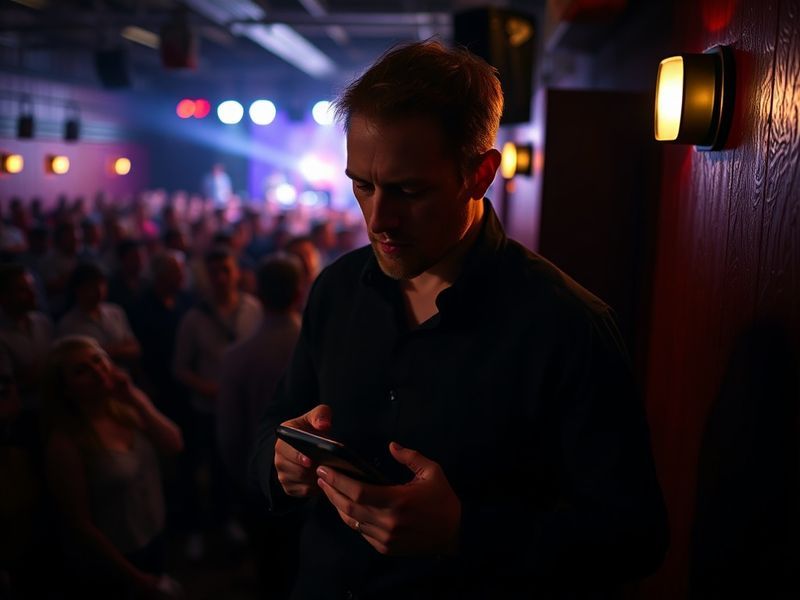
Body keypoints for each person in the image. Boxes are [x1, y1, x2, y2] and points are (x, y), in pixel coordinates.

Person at [253, 40, 668, 599]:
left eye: (408, 190)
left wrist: (464, 531)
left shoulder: (567, 325)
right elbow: (277, 423)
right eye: (363, 185)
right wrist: (279, 462)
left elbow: (635, 537)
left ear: (480, 174)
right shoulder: (335, 288)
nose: (379, 220)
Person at [42, 336, 183, 598]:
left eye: (98, 360)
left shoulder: (126, 405)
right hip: (119, 555)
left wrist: (134, 398)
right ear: (65, 389)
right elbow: (80, 524)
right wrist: (135, 576)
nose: (97, 371)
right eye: (81, 371)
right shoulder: (66, 443)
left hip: (154, 532)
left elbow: (173, 443)